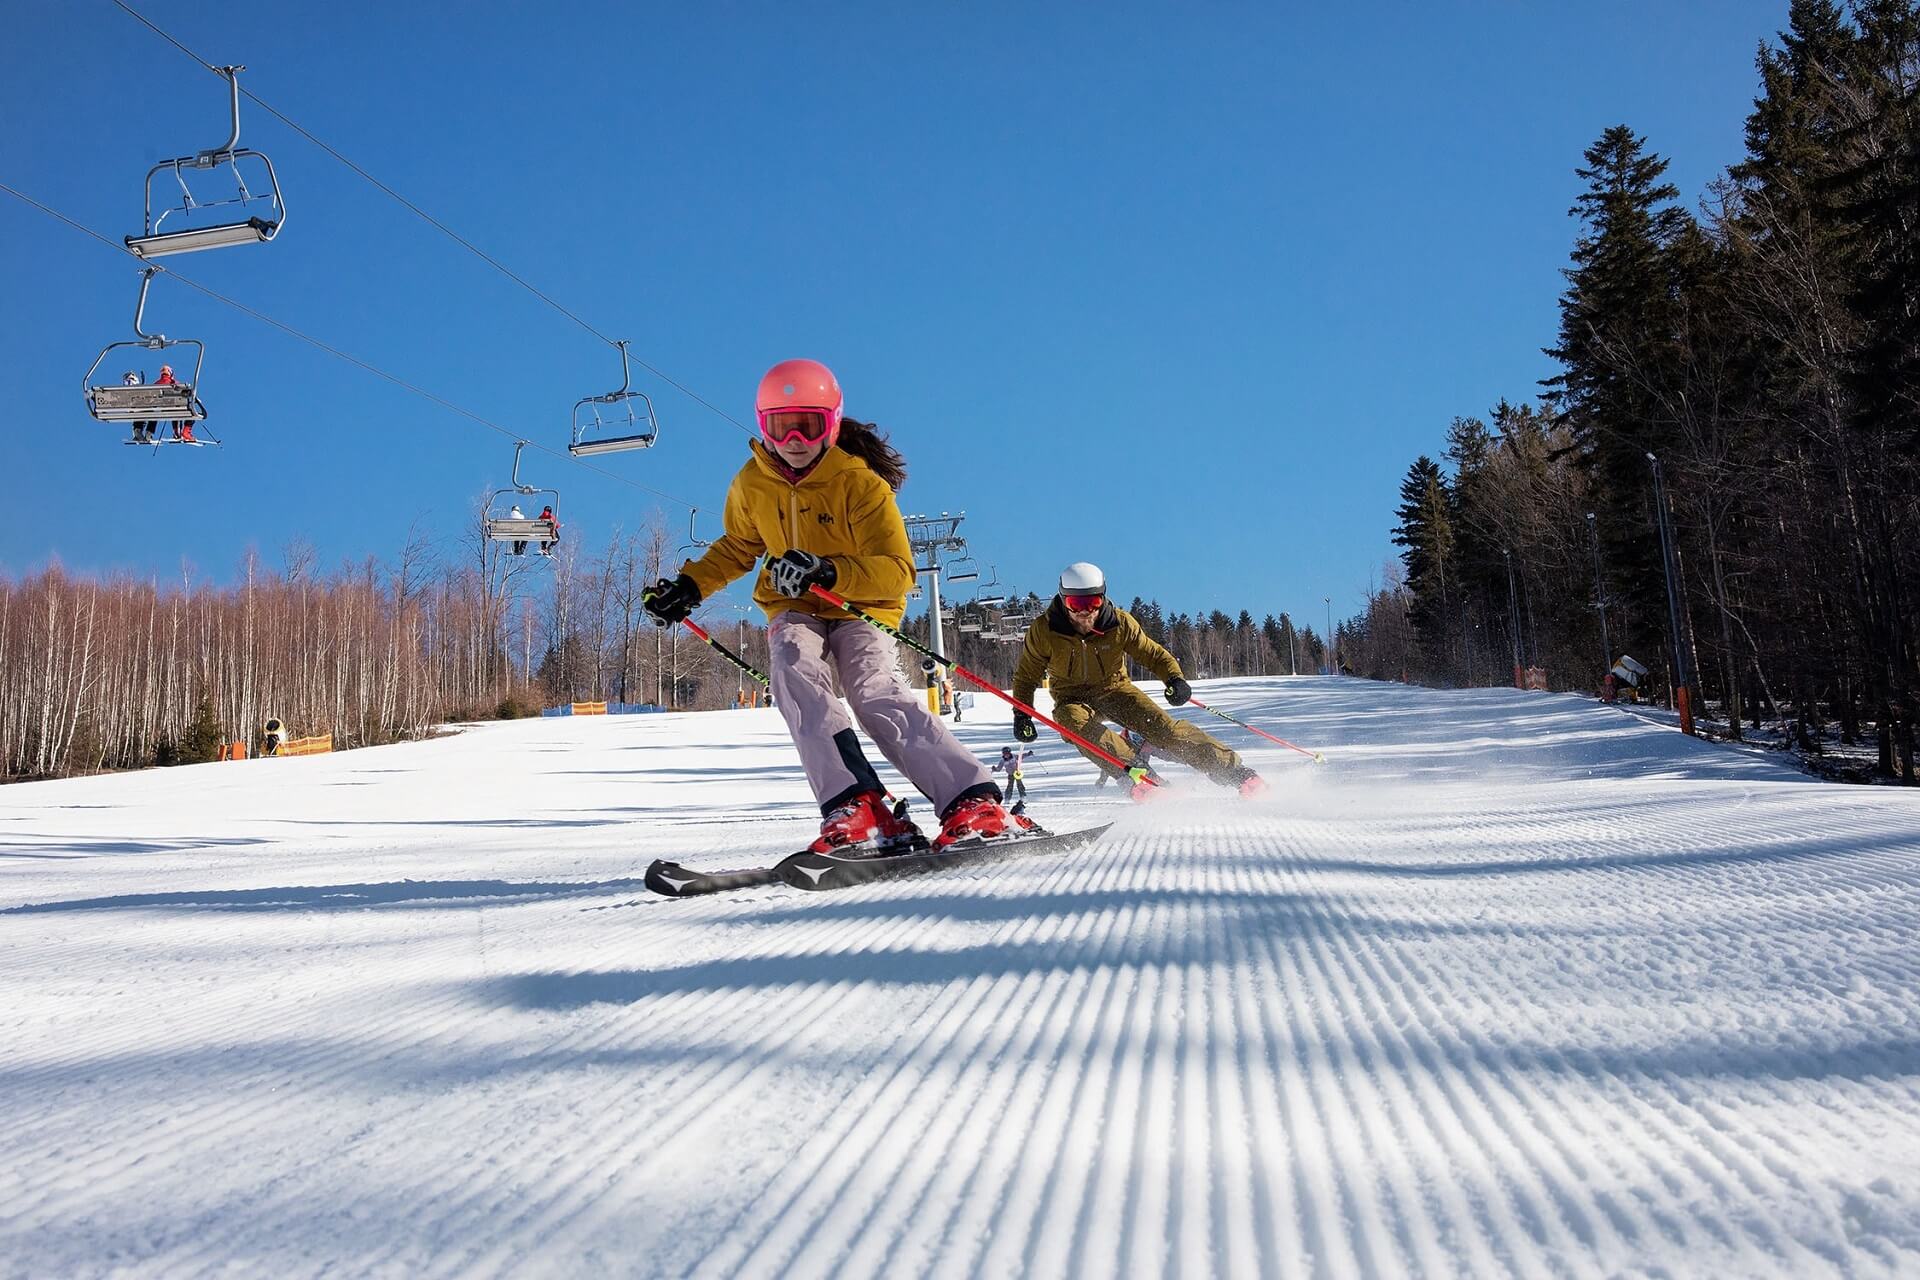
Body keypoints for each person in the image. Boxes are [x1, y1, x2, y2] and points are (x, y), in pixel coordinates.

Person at [643, 358, 1032, 854]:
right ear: (763, 426)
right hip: (794, 606)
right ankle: (859, 806)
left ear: (831, 424)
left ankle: (972, 799)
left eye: (809, 426)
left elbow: (898, 569)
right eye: (781, 428)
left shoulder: (859, 483)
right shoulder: (751, 482)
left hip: (860, 605)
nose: (795, 442)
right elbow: (739, 547)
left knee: (871, 691)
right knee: (792, 667)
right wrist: (689, 587)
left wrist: (829, 571)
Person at [1012, 562, 1266, 798]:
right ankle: (1139, 777)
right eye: (1076, 603)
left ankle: (1237, 773)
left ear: (1103, 597)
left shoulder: (1119, 623)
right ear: (1063, 600)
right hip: (1072, 698)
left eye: (1093, 601)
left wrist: (1174, 678)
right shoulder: (1045, 630)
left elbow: (1152, 654)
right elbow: (1026, 675)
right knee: (1070, 722)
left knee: (1165, 731)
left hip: (1116, 691)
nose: (1085, 611)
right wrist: (1022, 714)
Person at [155, 364, 194, 443]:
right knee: (189, 410)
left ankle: (177, 432)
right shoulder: (173, 382)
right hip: (174, 407)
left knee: (175, 410)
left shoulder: (156, 384)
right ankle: (185, 432)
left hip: (161, 408)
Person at [122, 371, 156, 445]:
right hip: (138, 406)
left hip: (131, 407)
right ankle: (148, 433)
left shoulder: (125, 385)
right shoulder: (133, 383)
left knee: (140, 413)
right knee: (153, 413)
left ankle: (138, 431)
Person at [992, 745, 1029, 809]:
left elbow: (1021, 756)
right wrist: (995, 769)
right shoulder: (1002, 761)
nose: (1007, 755)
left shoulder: (1014, 756)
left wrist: (1028, 754)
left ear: (1010, 753)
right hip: (1010, 775)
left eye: (1008, 753)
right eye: (1005, 754)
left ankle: (1023, 797)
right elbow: (999, 769)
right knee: (1009, 787)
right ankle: (1007, 799)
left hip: (1017, 773)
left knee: (1020, 785)